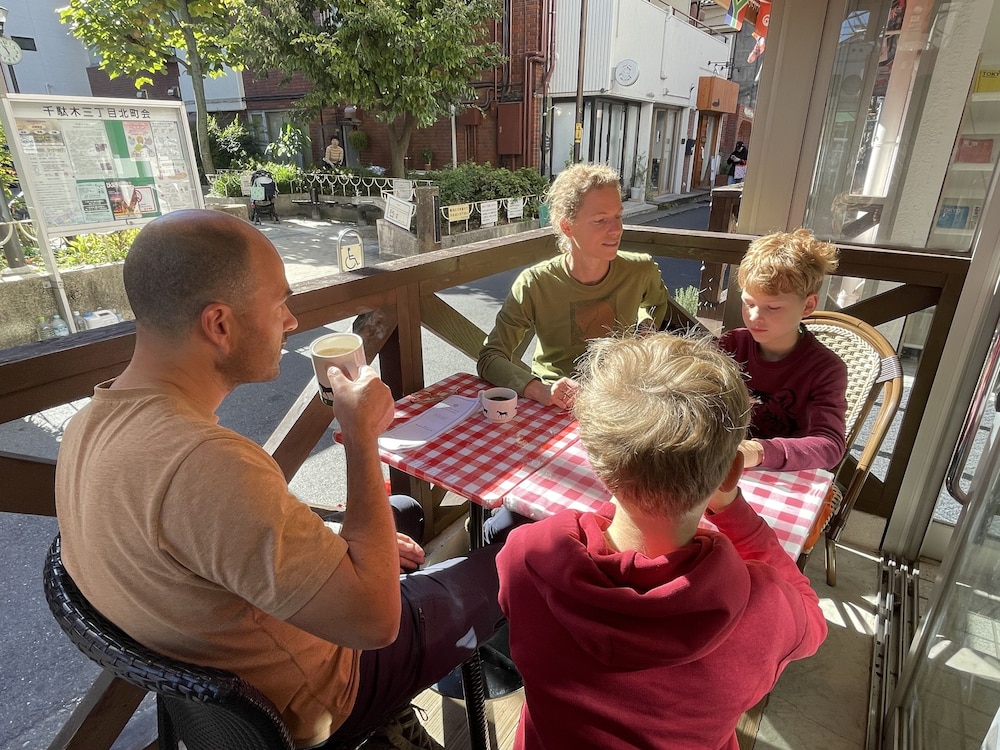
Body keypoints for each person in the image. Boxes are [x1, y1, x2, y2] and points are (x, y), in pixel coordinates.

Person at [54, 209, 508, 750]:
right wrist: (361, 439)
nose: (292, 322)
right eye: (279, 305)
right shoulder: (206, 466)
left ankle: (392, 716)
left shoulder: (91, 422)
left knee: (405, 514)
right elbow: (376, 623)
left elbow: (208, 542)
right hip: (320, 697)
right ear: (219, 324)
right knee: (518, 552)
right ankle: (395, 703)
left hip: (216, 673)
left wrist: (336, 551)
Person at [496, 332, 828, 750]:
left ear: (599, 464)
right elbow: (812, 620)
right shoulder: (765, 608)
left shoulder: (527, 555)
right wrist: (734, 510)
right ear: (729, 474)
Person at [477, 162, 670, 410]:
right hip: (555, 406)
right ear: (567, 226)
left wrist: (646, 322)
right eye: (601, 220)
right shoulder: (536, 283)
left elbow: (655, 303)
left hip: (621, 399)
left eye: (618, 216)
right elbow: (490, 358)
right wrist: (540, 391)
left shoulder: (640, 269)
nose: (617, 230)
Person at [718, 228, 847, 471]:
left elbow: (830, 444)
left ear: (807, 305)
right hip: (724, 469)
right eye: (749, 303)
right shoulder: (731, 345)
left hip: (787, 477)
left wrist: (758, 451)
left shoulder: (826, 369)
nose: (755, 316)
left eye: (773, 307)